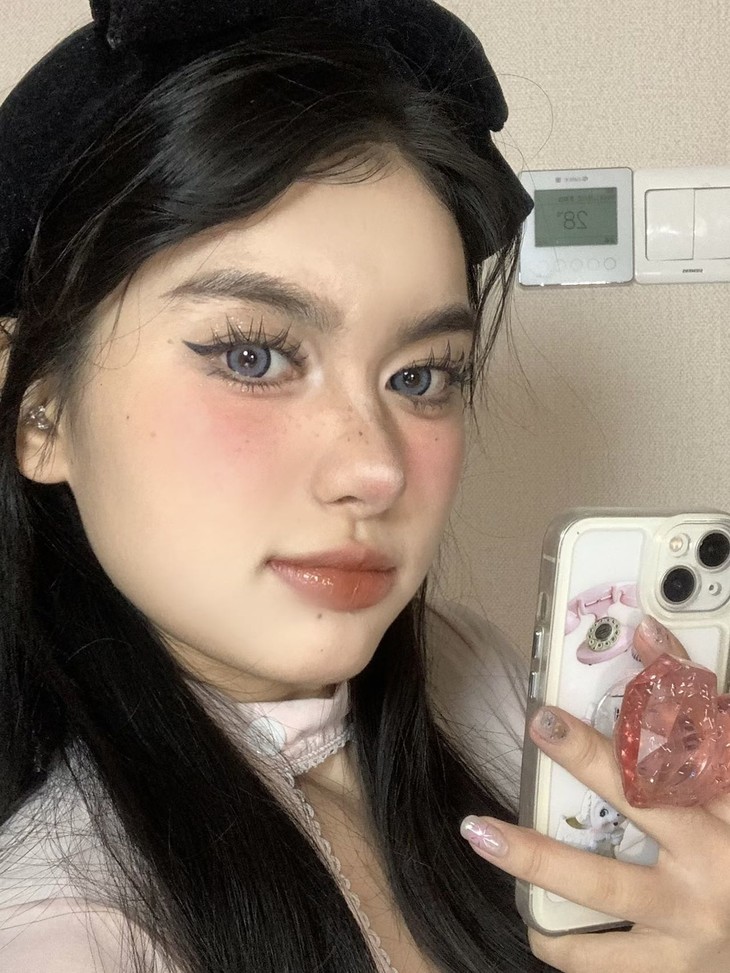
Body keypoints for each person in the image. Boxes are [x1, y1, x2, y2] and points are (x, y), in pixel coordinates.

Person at [0, 2, 545, 972]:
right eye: (252, 355)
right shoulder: (71, 935)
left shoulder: (482, 682)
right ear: (38, 411)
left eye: (421, 375)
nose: (375, 469)